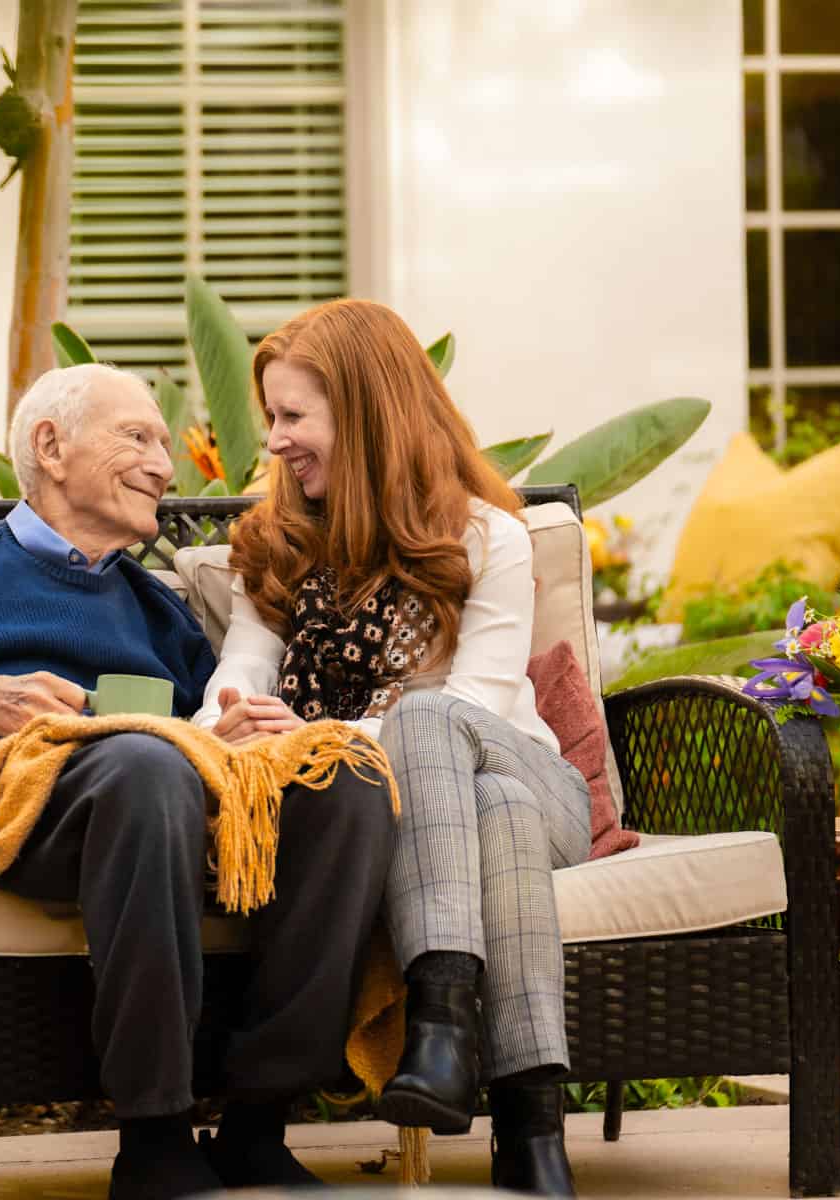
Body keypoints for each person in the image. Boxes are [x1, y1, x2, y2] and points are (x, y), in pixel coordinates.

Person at [0, 362, 397, 1200]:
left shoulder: (157, 612)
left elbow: (208, 738)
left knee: (341, 784)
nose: (165, 466)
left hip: (154, 808)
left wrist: (231, 734)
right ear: (51, 448)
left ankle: (257, 1125)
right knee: (144, 763)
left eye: (166, 445)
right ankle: (155, 1139)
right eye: (138, 436)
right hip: (7, 810)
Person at [193, 300, 590, 1198]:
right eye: (273, 420)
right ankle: (532, 1139)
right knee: (500, 816)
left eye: (295, 418)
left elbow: (476, 704)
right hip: (455, 812)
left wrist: (323, 736)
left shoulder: (489, 536)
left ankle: (443, 1030)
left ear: (366, 412)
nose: (279, 442)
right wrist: (232, 716)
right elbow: (241, 671)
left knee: (431, 726)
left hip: (525, 766)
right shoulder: (275, 545)